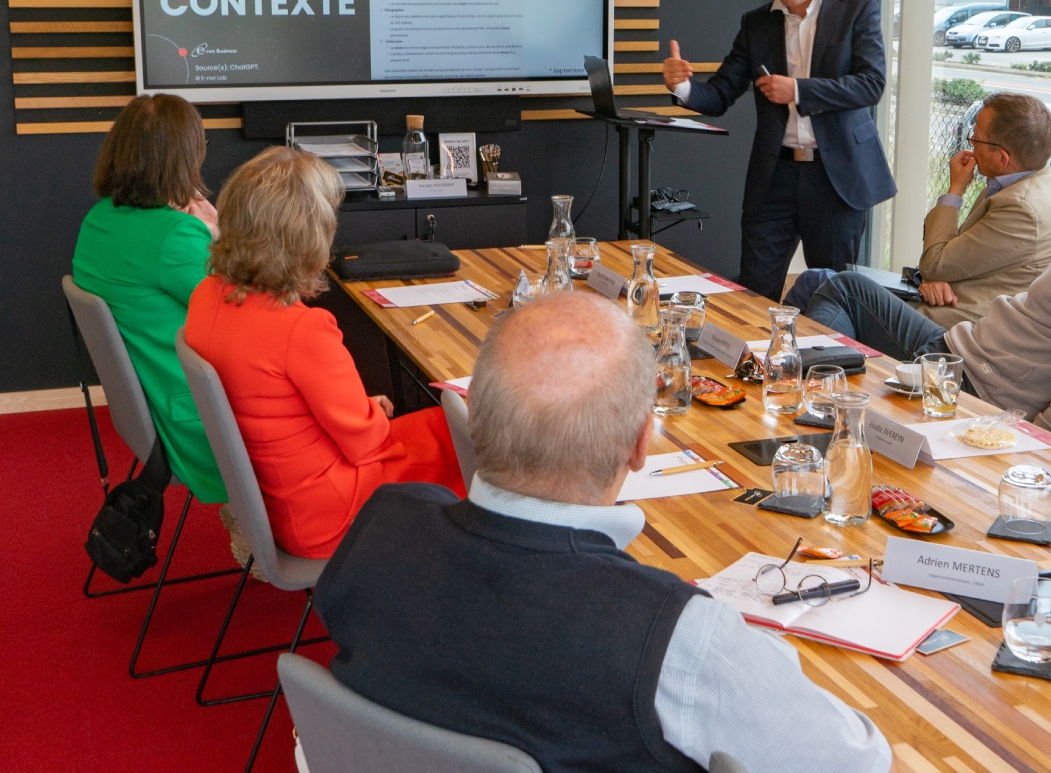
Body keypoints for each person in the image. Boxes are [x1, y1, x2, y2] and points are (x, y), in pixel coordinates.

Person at [314, 293, 893, 773]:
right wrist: (757, 656)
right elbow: (857, 761)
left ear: (475, 413)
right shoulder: (675, 636)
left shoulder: (384, 523)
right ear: (641, 442)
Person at [801, 104, 1051, 441]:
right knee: (841, 286)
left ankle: (809, 407)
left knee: (839, 290)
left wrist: (1018, 442)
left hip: (969, 380)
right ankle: (814, 399)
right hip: (965, 351)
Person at [184, 147, 463, 559]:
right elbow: (365, 443)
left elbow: (273, 398)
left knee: (437, 427)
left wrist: (359, 409)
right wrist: (367, 413)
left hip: (273, 501)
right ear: (307, 235)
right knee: (461, 427)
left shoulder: (206, 296)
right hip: (328, 514)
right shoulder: (300, 328)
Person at [663, 0, 896, 300]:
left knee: (833, 297)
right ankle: (754, 362)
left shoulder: (856, 12)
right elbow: (720, 94)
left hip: (836, 178)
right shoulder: (757, 24)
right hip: (774, 177)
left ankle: (822, 363)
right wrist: (682, 86)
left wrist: (798, 90)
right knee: (754, 291)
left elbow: (872, 84)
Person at [784, 93, 1051, 327]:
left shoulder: (1020, 206)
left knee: (823, 285)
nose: (970, 144)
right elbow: (952, 260)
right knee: (824, 291)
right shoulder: (1022, 181)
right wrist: (933, 276)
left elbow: (936, 262)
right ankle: (801, 370)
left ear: (1002, 158)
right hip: (941, 298)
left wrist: (954, 191)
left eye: (976, 138)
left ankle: (791, 370)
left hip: (955, 325)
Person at [72, 94, 226, 504]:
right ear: (182, 158)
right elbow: (244, 314)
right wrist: (217, 235)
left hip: (149, 412)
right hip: (202, 422)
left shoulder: (99, 220)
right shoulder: (174, 236)